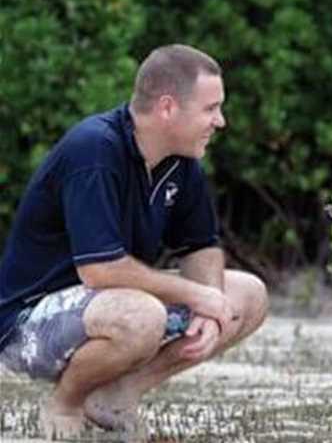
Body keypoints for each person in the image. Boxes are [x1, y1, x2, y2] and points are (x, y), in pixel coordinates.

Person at [0, 44, 269, 441]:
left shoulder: (182, 161)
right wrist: (197, 296)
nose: (221, 121)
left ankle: (115, 397)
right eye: (211, 108)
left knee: (248, 295)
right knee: (142, 315)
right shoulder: (94, 148)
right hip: (28, 324)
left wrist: (209, 304)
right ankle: (66, 404)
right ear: (167, 108)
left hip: (107, 306)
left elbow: (200, 247)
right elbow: (100, 269)